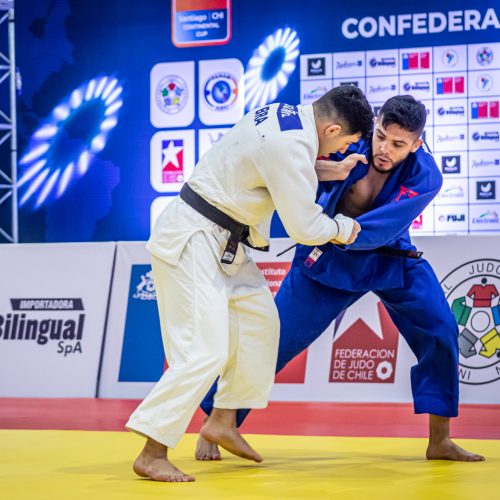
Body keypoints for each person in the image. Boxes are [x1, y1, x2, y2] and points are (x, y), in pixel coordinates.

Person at [198, 95, 485, 463]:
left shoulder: (426, 174)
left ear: (417, 144)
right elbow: (298, 178)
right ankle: (217, 421)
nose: (384, 148)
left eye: (398, 144)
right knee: (271, 340)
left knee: (442, 329)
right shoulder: (348, 142)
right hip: (327, 259)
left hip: (391, 257)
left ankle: (440, 440)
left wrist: (331, 229)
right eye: (381, 135)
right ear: (376, 123)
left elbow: (382, 229)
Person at [125, 85, 374, 482]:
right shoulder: (292, 146)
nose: (342, 151)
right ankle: (153, 451)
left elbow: (274, 165)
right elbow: (306, 227)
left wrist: (329, 170)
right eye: (347, 143)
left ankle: (223, 421)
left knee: (262, 325)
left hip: (225, 241)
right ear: (332, 129)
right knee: (203, 351)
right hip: (194, 238)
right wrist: (347, 229)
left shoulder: (283, 115)